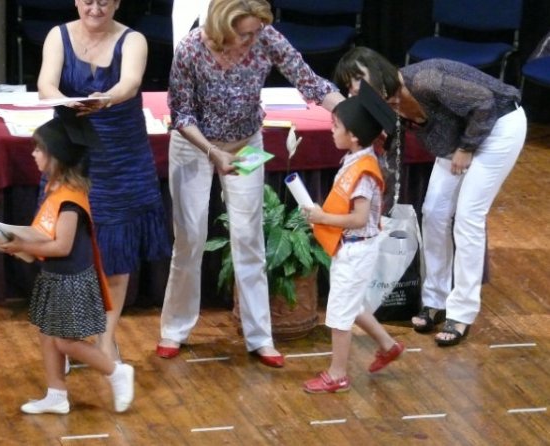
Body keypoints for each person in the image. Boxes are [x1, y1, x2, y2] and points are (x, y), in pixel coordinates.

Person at [156, 0, 345, 367]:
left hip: (245, 144)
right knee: (190, 236)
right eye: (243, 33)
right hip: (195, 146)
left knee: (249, 237)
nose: (250, 39)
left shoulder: (265, 36)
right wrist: (213, 152)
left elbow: (308, 80)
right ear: (222, 28)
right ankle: (174, 330)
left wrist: (347, 111)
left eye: (255, 31)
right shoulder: (192, 48)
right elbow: (181, 114)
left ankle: (260, 337)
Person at [333, 47, 527, 346]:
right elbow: (392, 155)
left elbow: (485, 104)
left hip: (499, 126)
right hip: (458, 139)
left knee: (468, 216)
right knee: (434, 211)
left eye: (356, 80)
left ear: (376, 70)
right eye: (348, 86)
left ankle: (462, 312)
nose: (353, 90)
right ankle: (435, 299)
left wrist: (467, 148)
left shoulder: (426, 80)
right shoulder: (386, 103)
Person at [37, 0, 171, 362]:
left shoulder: (133, 39)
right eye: (88, 0)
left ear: (117, 3)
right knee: (66, 249)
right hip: (74, 155)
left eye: (105, 2)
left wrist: (104, 99)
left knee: (116, 252)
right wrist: (66, 102)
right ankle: (67, 336)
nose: (95, 8)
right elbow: (45, 84)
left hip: (121, 157)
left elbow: (129, 83)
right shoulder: (57, 35)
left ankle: (106, 339)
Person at [0, 111, 134, 414]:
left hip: (71, 281)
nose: (32, 154)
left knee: (65, 342)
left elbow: (61, 245)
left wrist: (21, 244)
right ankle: (56, 394)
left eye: (38, 149)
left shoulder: (70, 199)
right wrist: (6, 232)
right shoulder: (54, 190)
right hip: (55, 278)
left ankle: (116, 371)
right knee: (48, 334)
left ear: (55, 156)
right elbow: (40, 231)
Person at [301, 82, 404, 393]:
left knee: (339, 315)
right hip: (354, 247)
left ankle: (337, 374)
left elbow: (359, 219)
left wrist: (323, 218)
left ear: (354, 136)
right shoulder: (357, 158)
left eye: (336, 126)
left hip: (357, 248)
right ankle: (388, 345)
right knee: (352, 304)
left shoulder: (363, 170)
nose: (331, 131)